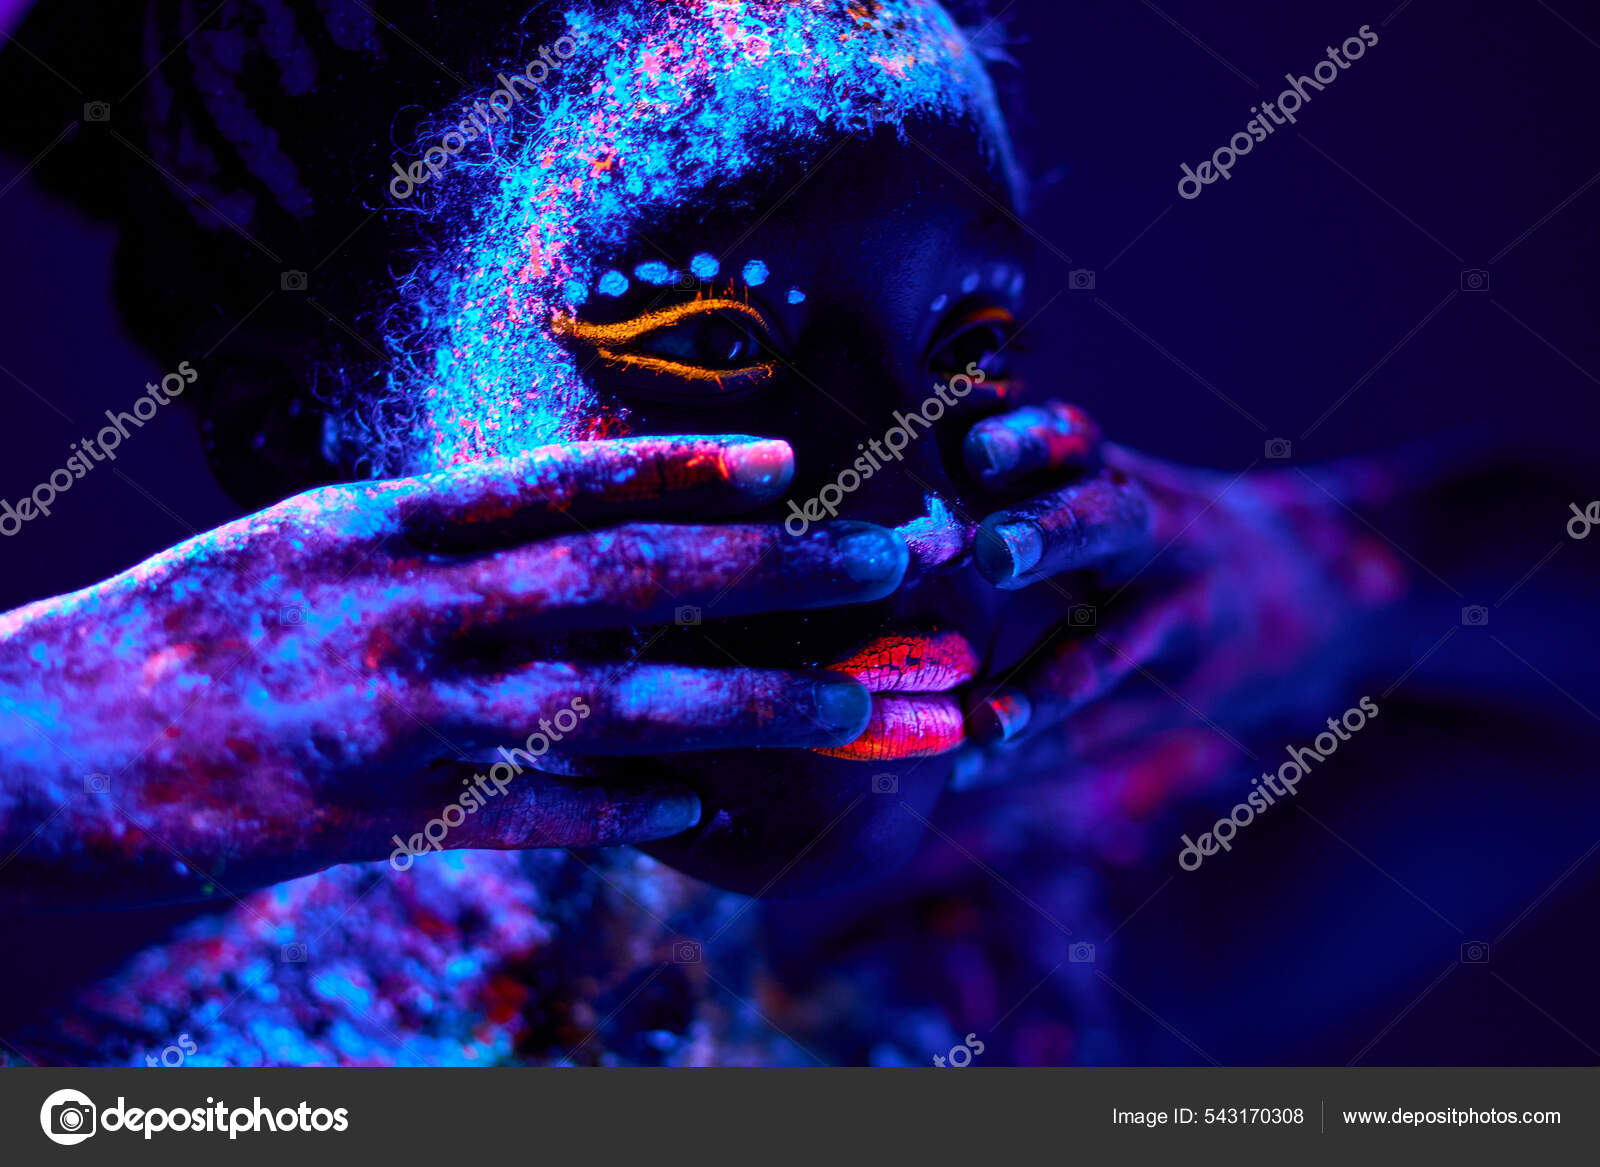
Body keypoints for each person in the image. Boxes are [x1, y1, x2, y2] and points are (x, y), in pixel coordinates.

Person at [0, 0, 1592, 1066]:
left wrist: (1320, 573)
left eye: (964, 351)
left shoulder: (1010, 957)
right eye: (702, 344)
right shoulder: (231, 1071)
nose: (905, 497)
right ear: (315, 433)